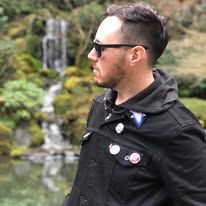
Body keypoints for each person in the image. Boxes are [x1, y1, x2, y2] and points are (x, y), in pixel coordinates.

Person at [61, 2, 206, 206]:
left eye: (100, 48)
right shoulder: (101, 106)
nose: (91, 55)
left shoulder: (178, 131)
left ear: (135, 55)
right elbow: (84, 190)